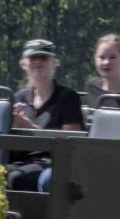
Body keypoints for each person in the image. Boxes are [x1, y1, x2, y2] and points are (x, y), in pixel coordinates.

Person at [6, 38, 84, 190]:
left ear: (54, 62)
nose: (38, 62)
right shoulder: (19, 98)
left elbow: (71, 143)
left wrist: (29, 127)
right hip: (20, 161)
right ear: (24, 63)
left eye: (43, 58)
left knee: (17, 178)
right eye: (33, 58)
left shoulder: (68, 98)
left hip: (51, 163)